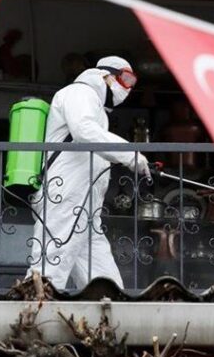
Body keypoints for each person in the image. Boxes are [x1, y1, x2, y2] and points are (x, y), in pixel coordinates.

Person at [27, 56, 151, 289]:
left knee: (105, 283)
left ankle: (113, 316)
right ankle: (32, 317)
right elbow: (84, 131)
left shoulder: (95, 107)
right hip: (65, 196)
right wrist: (129, 154)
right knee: (48, 271)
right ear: (105, 75)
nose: (128, 88)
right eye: (125, 79)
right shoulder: (80, 92)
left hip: (85, 207)